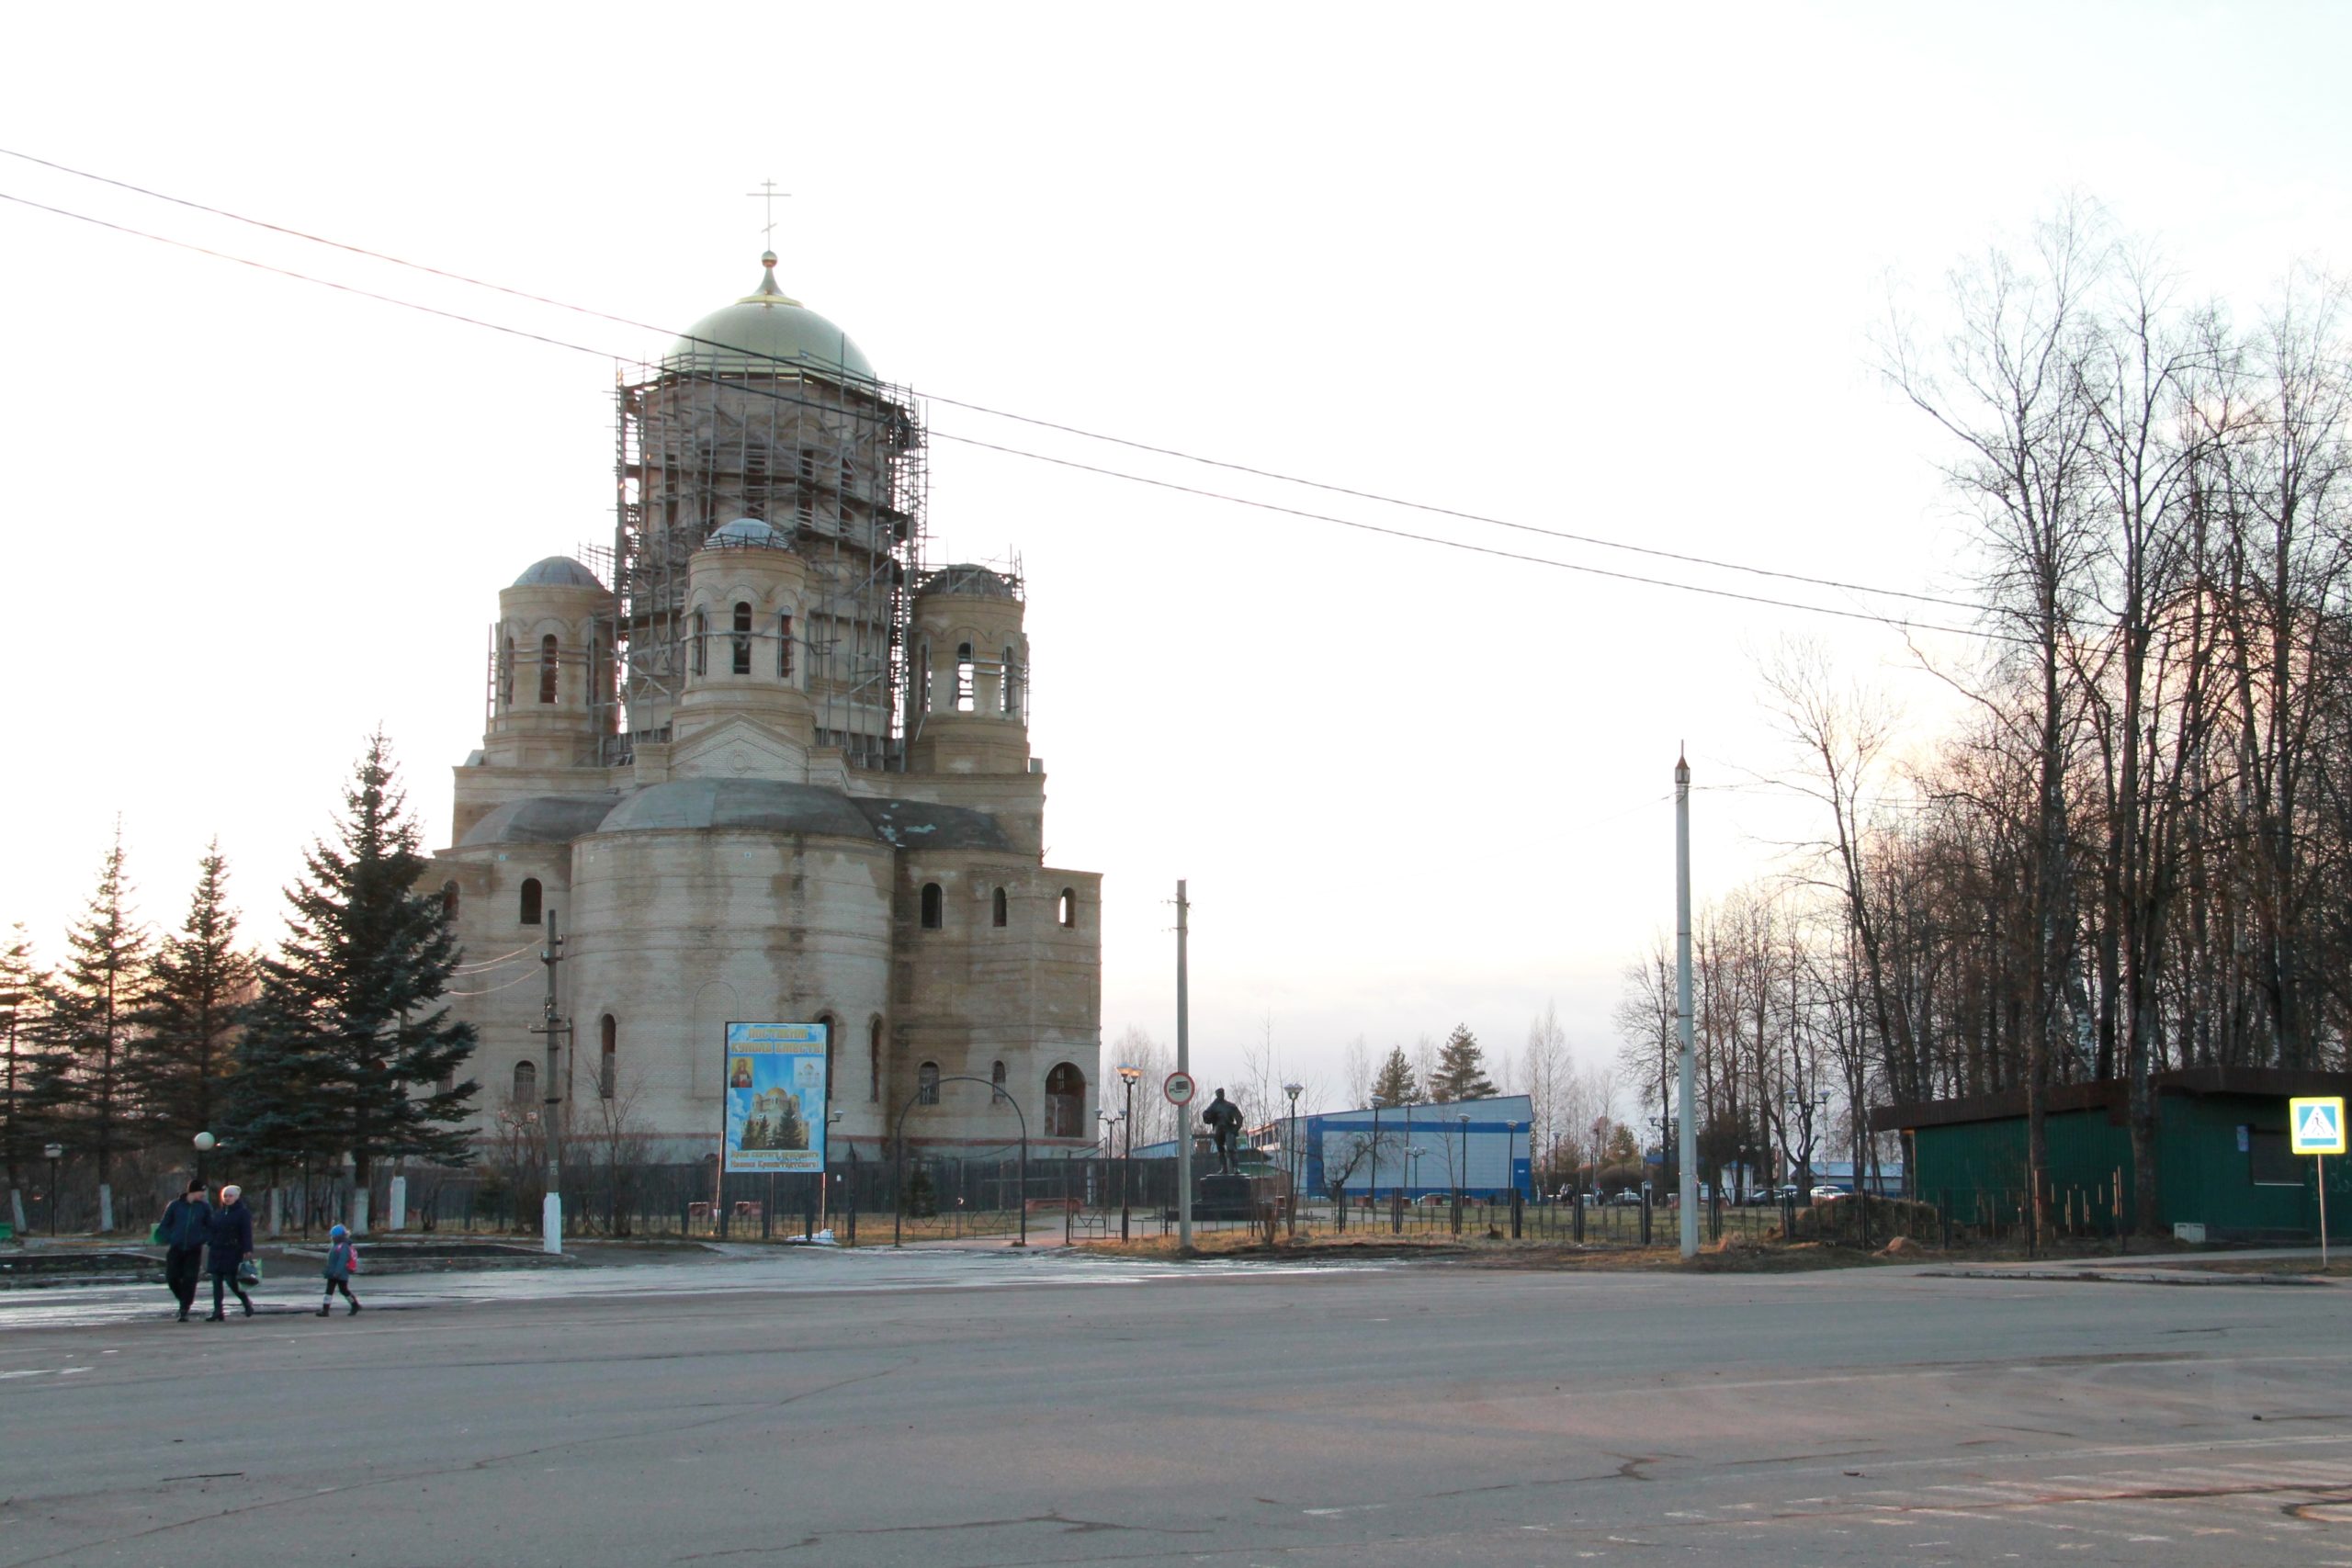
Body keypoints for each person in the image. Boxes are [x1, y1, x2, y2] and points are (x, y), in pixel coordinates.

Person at [157, 1179, 211, 1322]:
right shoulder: (175, 1206)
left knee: (190, 1278)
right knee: (172, 1277)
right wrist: (171, 1237)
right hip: (176, 1248)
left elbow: (211, 1227)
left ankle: (184, 1309)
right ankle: (184, 1299)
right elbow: (164, 1226)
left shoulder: (204, 1208)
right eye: (201, 1191)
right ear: (193, 1191)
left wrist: (202, 1238)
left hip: (194, 1249)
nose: (203, 1195)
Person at [204, 1183, 255, 1320]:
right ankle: (217, 1311)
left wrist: (247, 1249)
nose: (227, 1198)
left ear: (237, 1197)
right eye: (225, 1196)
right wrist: (210, 1241)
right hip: (217, 1250)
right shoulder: (219, 1213)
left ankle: (246, 1302)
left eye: (230, 1195)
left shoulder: (242, 1213)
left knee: (231, 1280)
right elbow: (212, 1229)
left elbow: (246, 1232)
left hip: (233, 1251)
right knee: (216, 1281)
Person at [317, 1224, 362, 1316]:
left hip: (340, 1273)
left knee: (343, 1290)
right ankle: (325, 1310)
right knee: (331, 1291)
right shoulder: (337, 1246)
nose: (332, 1238)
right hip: (334, 1273)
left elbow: (342, 1260)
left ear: (337, 1236)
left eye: (333, 1236)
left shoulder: (343, 1247)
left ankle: (355, 1305)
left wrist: (337, 1272)